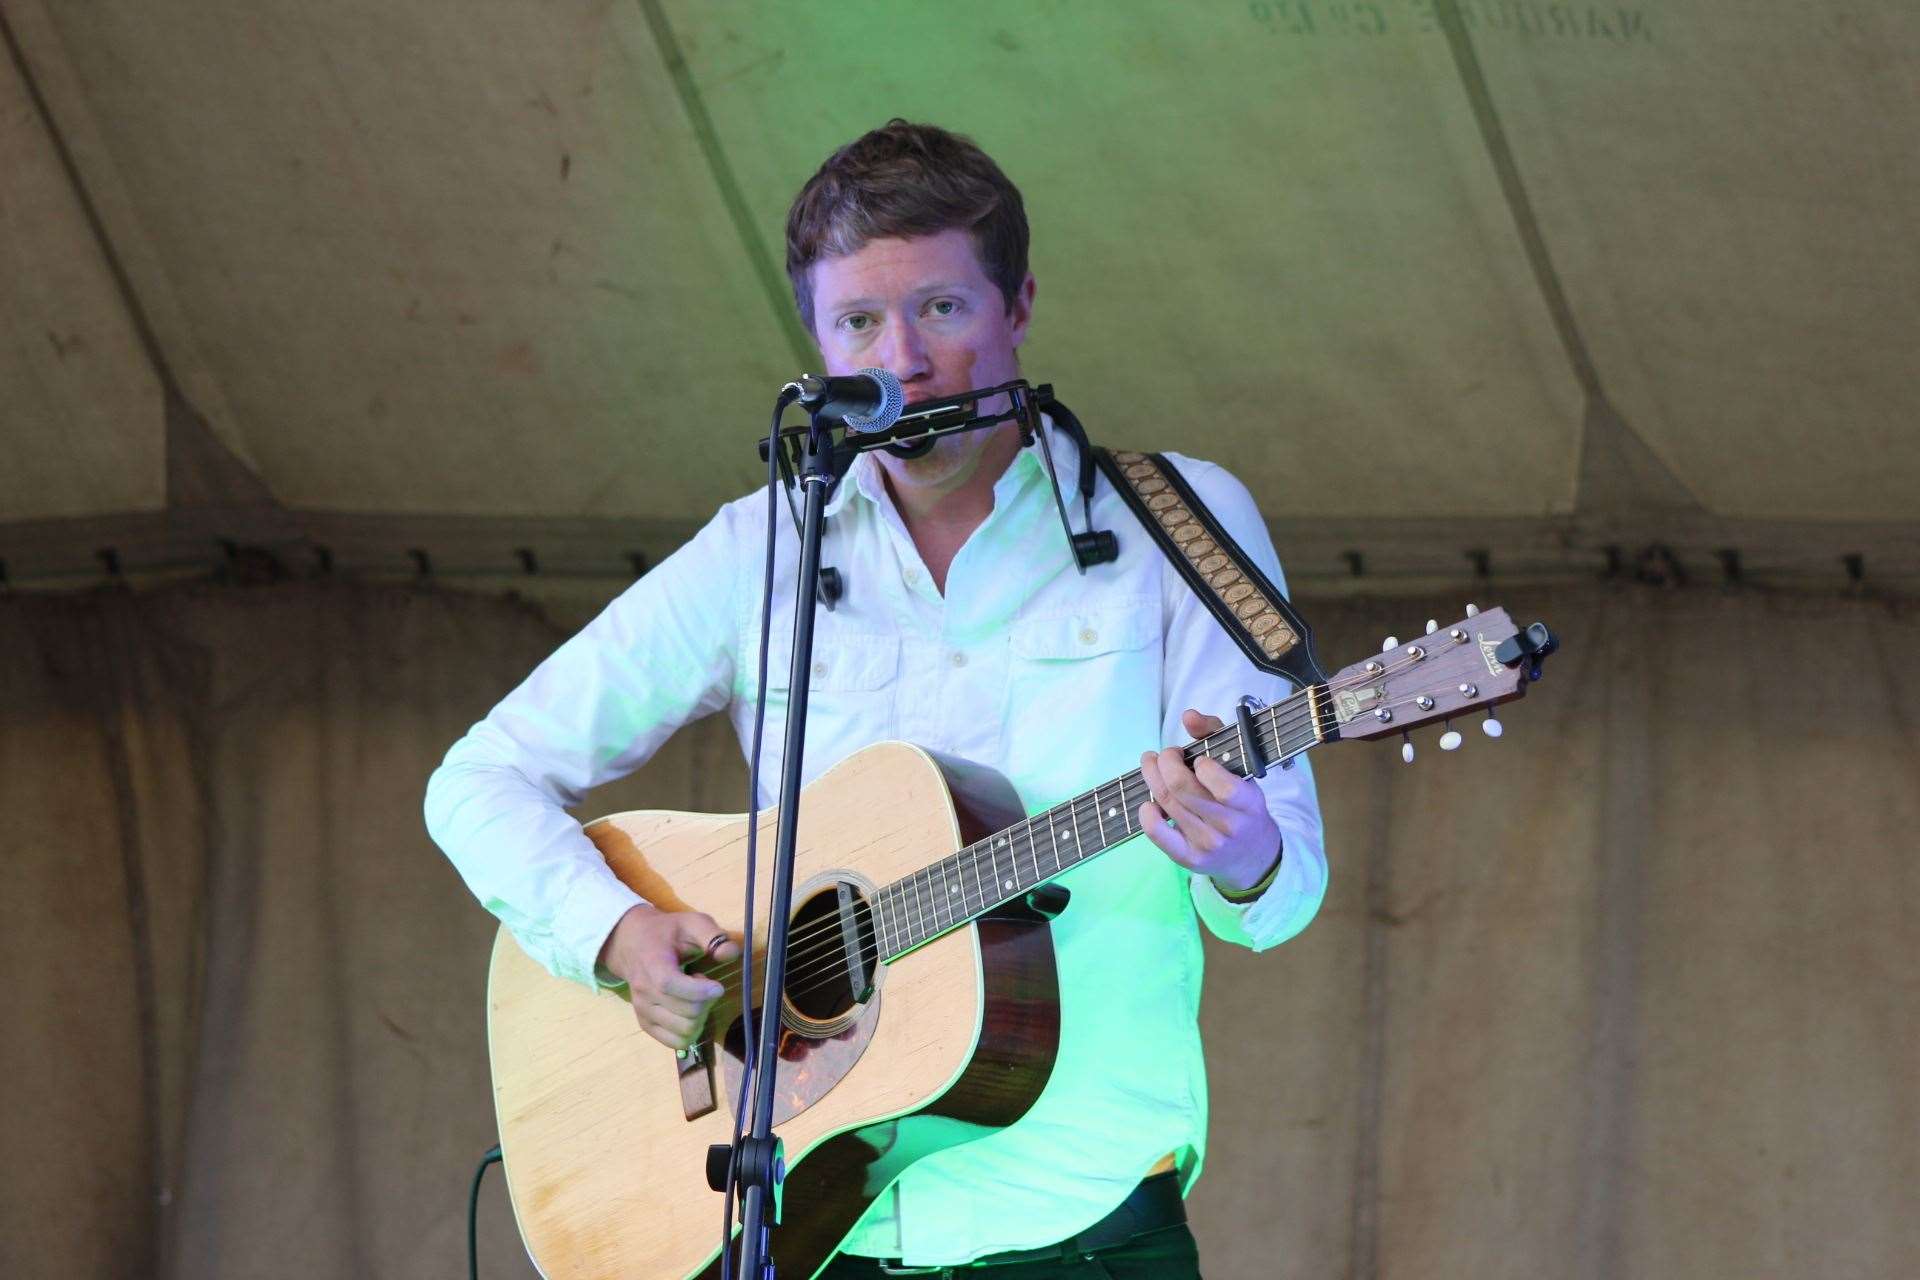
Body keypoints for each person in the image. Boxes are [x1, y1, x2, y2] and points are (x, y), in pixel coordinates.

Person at [426, 119, 1327, 1278]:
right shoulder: (764, 550)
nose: (902, 359)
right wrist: (615, 933)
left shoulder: (1179, 526)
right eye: (859, 322)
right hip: (811, 1223)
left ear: (1019, 304)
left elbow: (1283, 889)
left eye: (943, 309)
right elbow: (478, 778)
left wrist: (1240, 847)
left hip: (1084, 1220)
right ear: (817, 340)